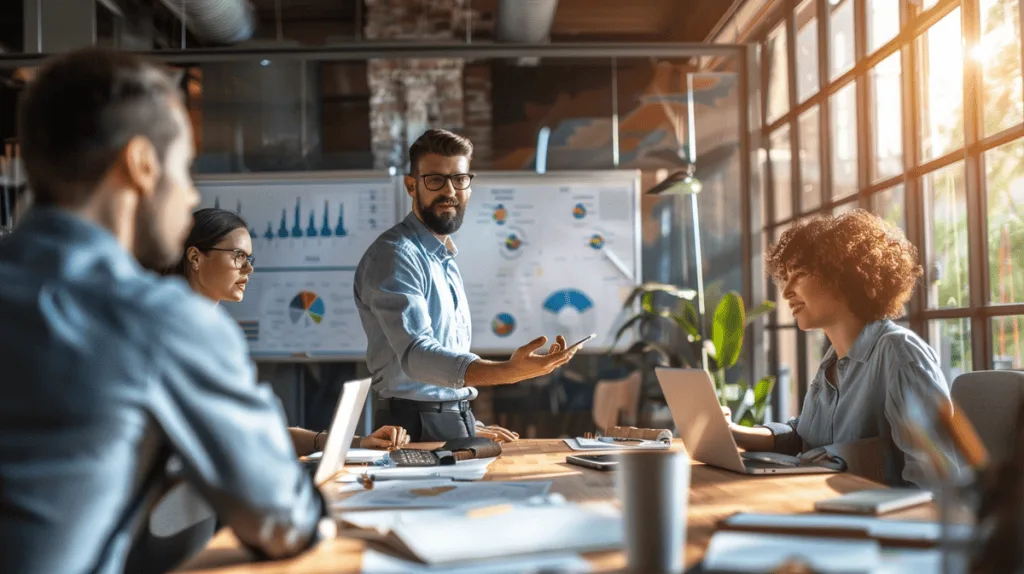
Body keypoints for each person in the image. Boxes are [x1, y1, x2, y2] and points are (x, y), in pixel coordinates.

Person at [0, 48, 324, 574]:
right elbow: (283, 519)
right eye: (185, 169)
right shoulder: (158, 320)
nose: (189, 193)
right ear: (142, 165)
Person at [354, 129, 581, 443]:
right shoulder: (395, 255)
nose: (449, 191)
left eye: (459, 179)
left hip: (447, 416)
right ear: (411, 185)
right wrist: (507, 372)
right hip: (409, 426)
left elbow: (440, 370)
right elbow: (417, 357)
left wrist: (462, 420)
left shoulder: (442, 256)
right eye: (435, 179)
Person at [727, 210, 958, 487]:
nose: (786, 291)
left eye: (799, 274)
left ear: (845, 276)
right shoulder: (833, 362)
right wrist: (735, 433)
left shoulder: (899, 354)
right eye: (786, 277)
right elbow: (805, 438)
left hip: (878, 523)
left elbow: (939, 476)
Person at [173, 207, 410, 454]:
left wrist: (357, 443)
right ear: (195, 258)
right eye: (238, 256)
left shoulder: (216, 333)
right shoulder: (174, 334)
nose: (248, 269)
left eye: (248, 259)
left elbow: (256, 430)